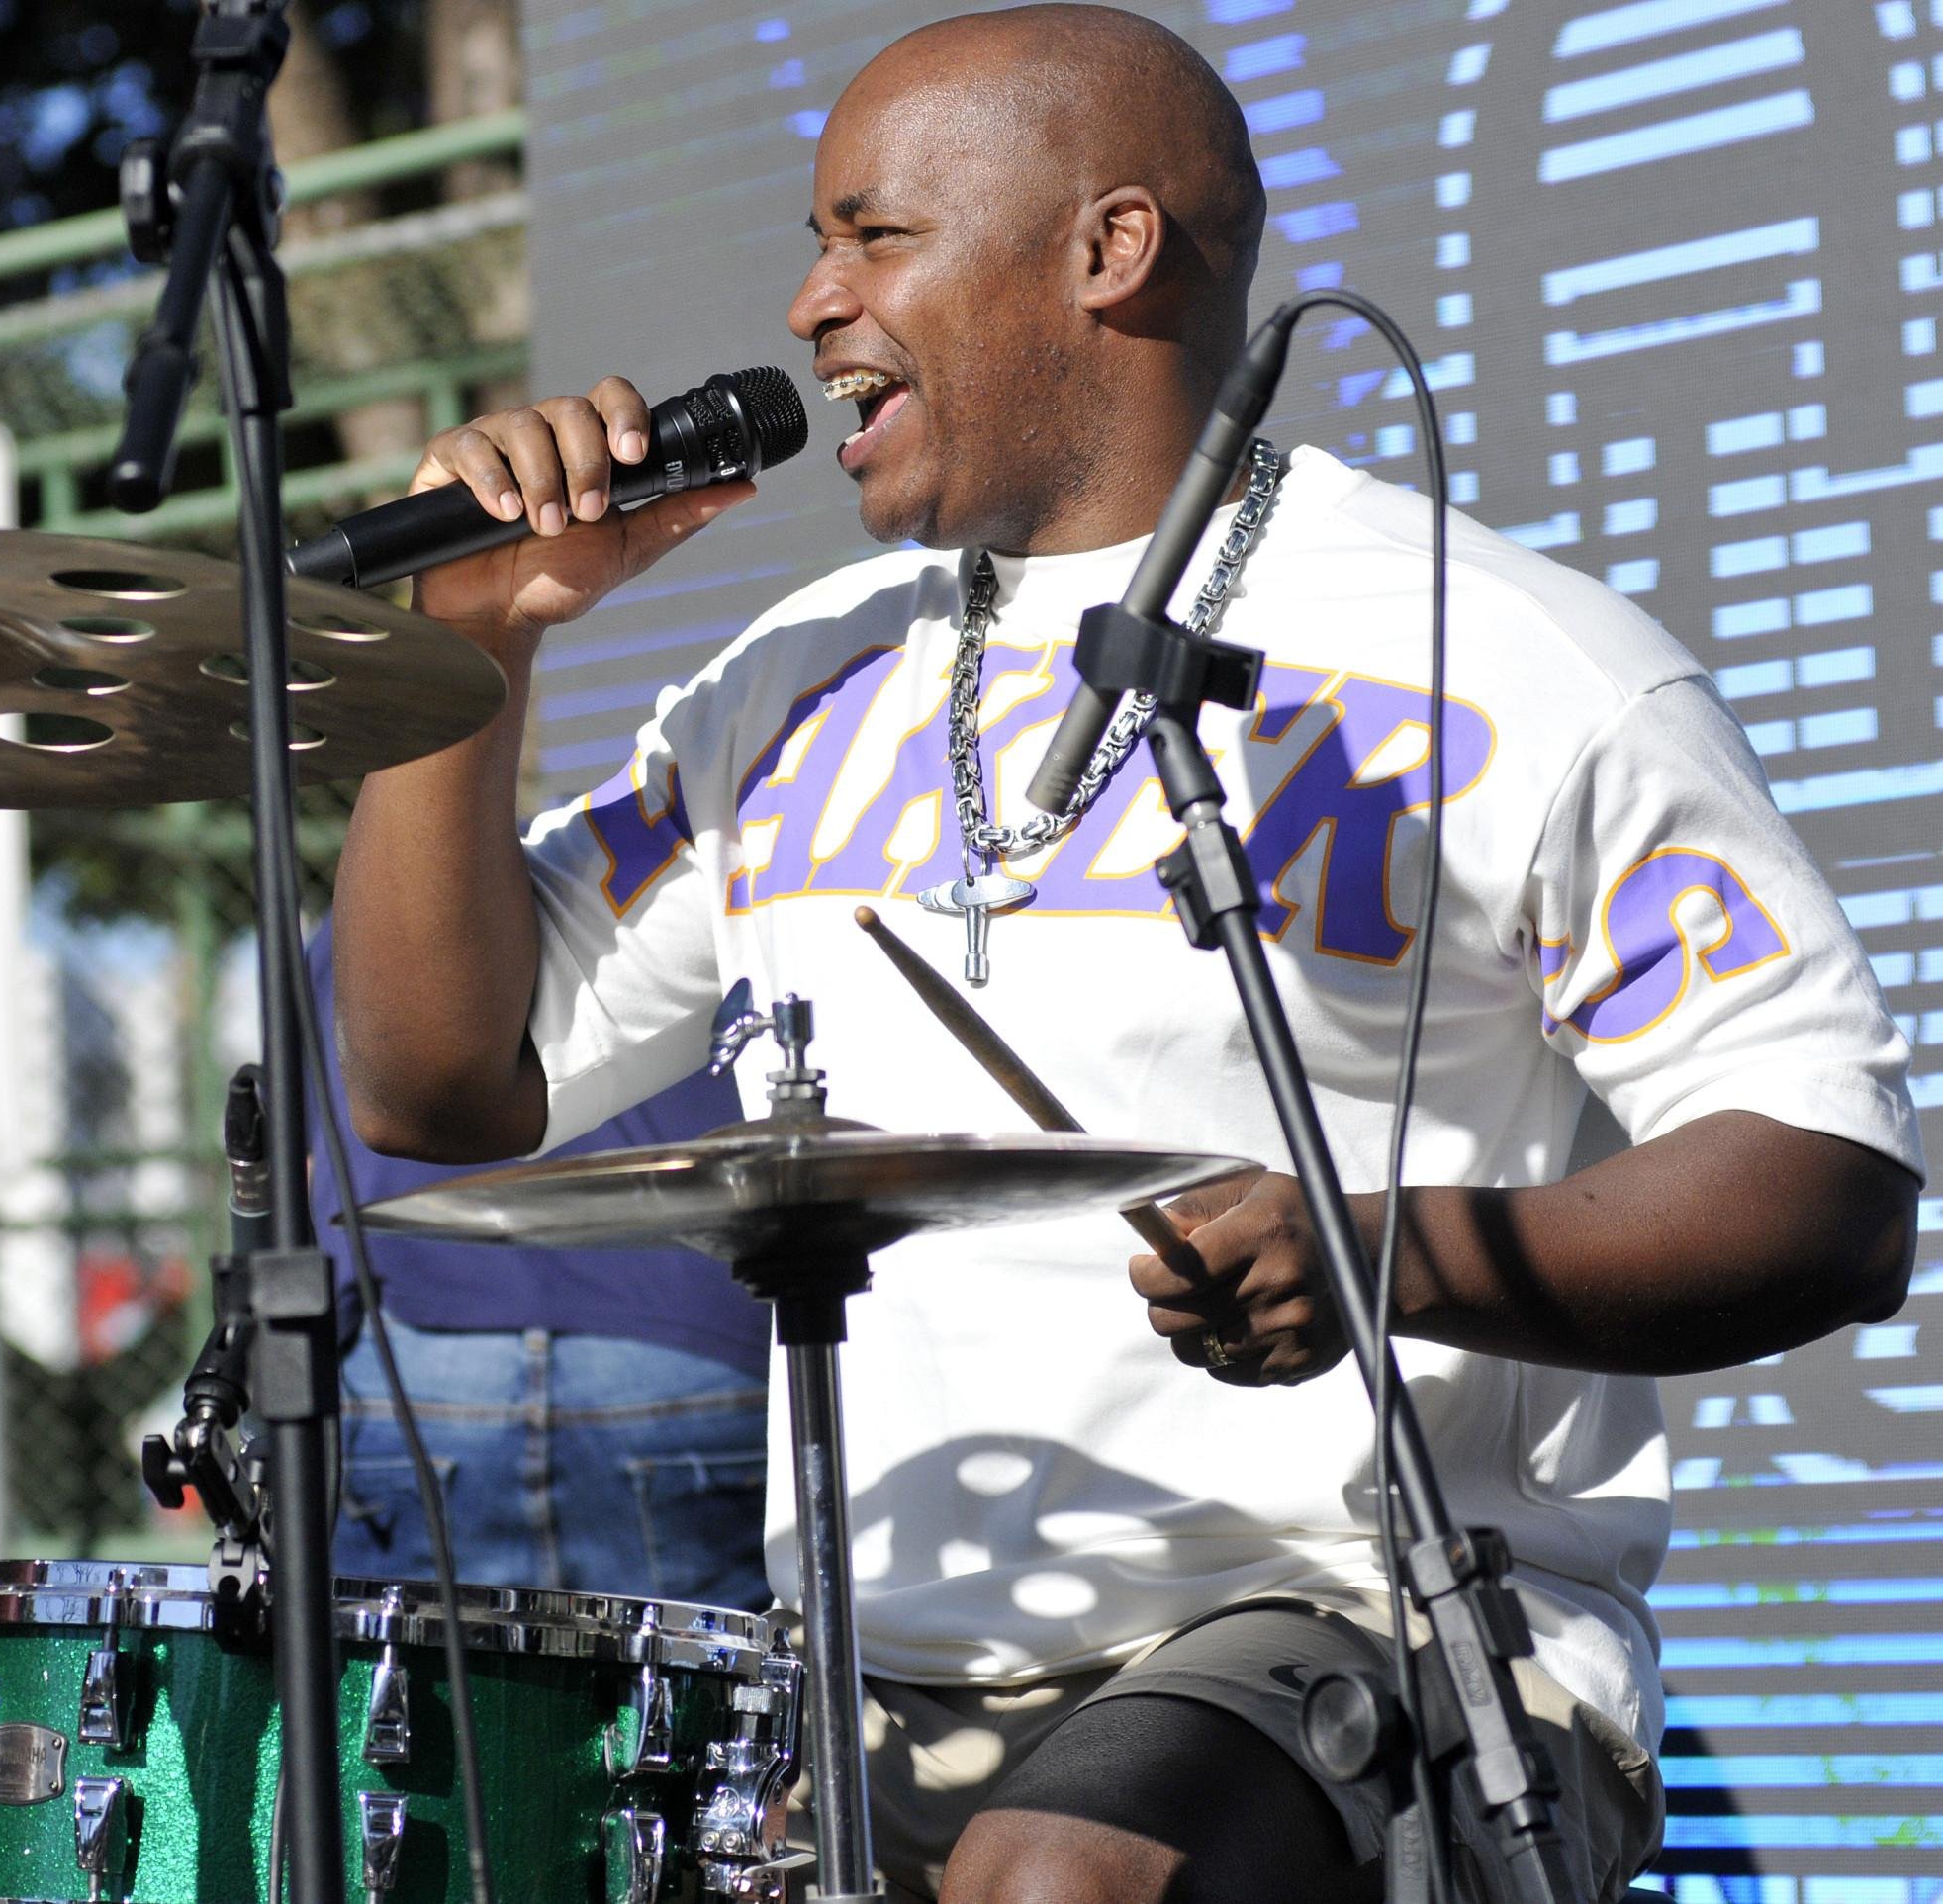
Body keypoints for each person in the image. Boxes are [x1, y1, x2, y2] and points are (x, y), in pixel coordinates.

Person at [327, 9, 1923, 1903]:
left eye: (872, 236)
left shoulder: (1507, 660)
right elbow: (438, 1084)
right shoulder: (802, 674)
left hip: (1355, 1628)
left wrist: (1372, 1251)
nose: (811, 301)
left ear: (1106, 248)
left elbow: (1820, 1187)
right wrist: (470, 651)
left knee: (1060, 1880)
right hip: (865, 1673)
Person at [302, 923, 771, 1611]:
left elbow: (303, 1171)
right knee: (706, 1707)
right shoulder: (686, 884)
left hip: (418, 1356)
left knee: (419, 1707)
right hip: (685, 1341)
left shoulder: (361, 917)